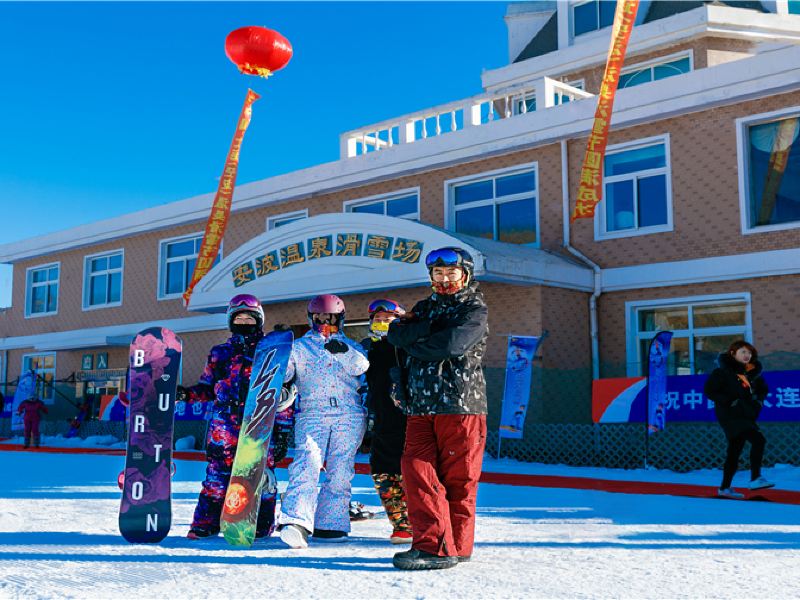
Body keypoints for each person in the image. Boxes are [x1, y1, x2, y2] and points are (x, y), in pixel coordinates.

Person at [387, 247, 489, 571]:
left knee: (459, 479)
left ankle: (456, 546)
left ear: (466, 274)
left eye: (451, 273)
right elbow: (395, 335)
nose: (444, 279)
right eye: (438, 274)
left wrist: (417, 338)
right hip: (419, 405)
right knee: (415, 468)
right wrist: (426, 331)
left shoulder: (473, 309)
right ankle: (434, 545)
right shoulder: (423, 308)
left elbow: (451, 346)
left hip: (460, 405)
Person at [179, 294, 296, 540]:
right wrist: (187, 394)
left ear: (259, 320)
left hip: (260, 421)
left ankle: (260, 523)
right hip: (225, 425)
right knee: (217, 476)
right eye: (238, 318)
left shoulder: (270, 351)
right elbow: (207, 388)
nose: (244, 322)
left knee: (261, 475)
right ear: (231, 320)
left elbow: (283, 395)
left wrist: (284, 431)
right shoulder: (219, 353)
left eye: (249, 318)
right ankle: (206, 523)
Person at [277, 294, 369, 549]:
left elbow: (361, 367)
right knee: (307, 462)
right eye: (318, 317)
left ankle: (331, 523)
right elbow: (284, 374)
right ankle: (296, 521)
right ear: (310, 318)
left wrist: (343, 352)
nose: (324, 321)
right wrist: (278, 349)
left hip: (348, 414)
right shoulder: (299, 347)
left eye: (330, 317)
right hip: (312, 412)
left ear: (340, 319)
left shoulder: (351, 345)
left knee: (340, 470)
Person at [361, 298, 412, 545]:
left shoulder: (409, 348)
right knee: (383, 473)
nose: (382, 324)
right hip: (380, 421)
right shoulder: (366, 349)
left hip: (411, 421)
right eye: (377, 320)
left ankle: (420, 522)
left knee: (412, 474)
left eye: (388, 320)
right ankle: (400, 525)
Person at [704, 340, 774, 499]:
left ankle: (725, 488)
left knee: (734, 451)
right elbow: (709, 391)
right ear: (732, 353)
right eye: (743, 352)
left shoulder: (752, 373)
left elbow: (763, 389)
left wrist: (758, 401)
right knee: (759, 440)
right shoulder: (721, 372)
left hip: (746, 415)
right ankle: (756, 478)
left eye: (749, 353)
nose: (746, 355)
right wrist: (729, 401)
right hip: (730, 415)